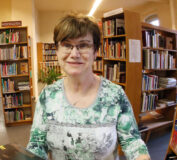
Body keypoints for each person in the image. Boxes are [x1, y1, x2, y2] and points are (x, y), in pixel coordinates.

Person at [27, 13, 150, 160]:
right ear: (57, 50)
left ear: (95, 52)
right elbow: (37, 144)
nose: (74, 54)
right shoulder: (47, 96)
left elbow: (132, 141)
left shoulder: (115, 95)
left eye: (83, 45)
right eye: (67, 45)